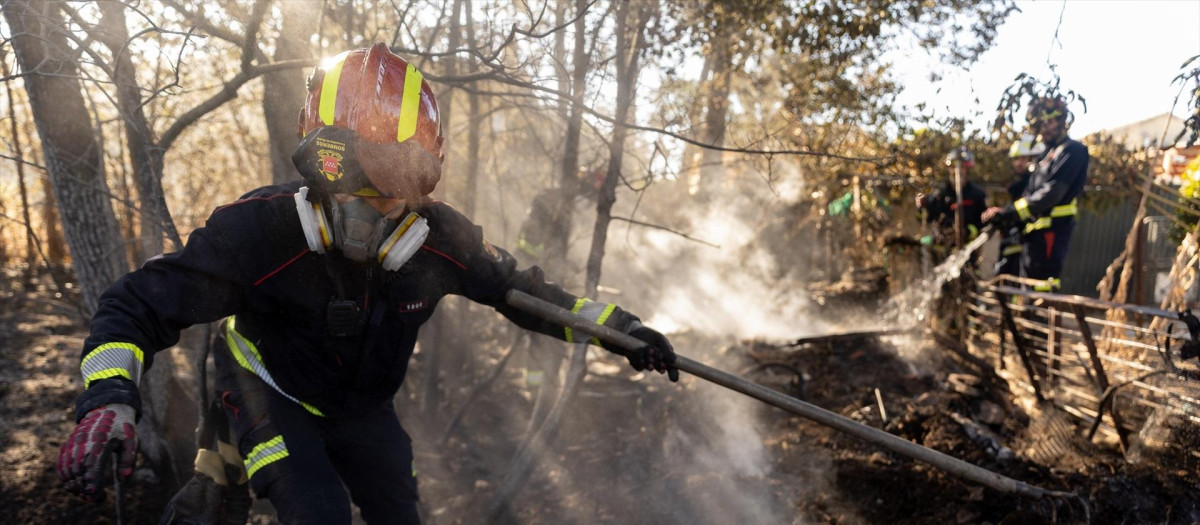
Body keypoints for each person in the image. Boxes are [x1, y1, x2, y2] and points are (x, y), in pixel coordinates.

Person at [55, 44, 678, 525]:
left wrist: (619, 331)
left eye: (390, 188)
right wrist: (109, 401)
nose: (368, 212)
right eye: (351, 186)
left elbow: (525, 291)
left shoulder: (439, 240)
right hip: (267, 390)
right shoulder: (257, 234)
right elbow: (133, 307)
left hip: (363, 408)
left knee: (398, 511)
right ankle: (222, 471)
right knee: (318, 509)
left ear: (421, 180)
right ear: (318, 168)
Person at [983, 96, 1089, 291]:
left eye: (1049, 121)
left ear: (1063, 120)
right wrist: (1007, 216)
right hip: (1033, 236)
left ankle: (1041, 318)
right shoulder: (1045, 155)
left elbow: (1052, 193)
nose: (1043, 128)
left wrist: (1012, 212)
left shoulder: (1073, 151)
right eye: (1040, 124)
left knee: (1042, 288)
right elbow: (1029, 193)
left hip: (1052, 231)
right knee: (1026, 287)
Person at [995, 134, 1046, 277]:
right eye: (1016, 158)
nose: (1018, 163)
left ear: (1034, 158)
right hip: (1013, 245)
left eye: (1023, 158)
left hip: (1027, 245)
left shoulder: (1035, 184)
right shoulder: (1018, 186)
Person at [916, 147, 989, 246]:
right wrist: (922, 207)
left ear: (967, 169)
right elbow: (925, 219)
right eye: (954, 167)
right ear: (949, 168)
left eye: (962, 167)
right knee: (921, 243)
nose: (958, 170)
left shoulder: (977, 195)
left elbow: (985, 223)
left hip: (968, 247)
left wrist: (968, 232)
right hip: (941, 245)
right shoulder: (940, 194)